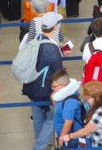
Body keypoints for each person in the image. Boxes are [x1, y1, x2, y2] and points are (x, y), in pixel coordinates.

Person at [22, 12, 65, 150]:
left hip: (31, 87)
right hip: (46, 89)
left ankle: (41, 144)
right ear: (54, 27)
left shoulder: (34, 41)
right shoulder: (52, 48)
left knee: (38, 118)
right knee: (52, 119)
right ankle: (39, 147)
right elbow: (58, 73)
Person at [58, 81, 102, 148]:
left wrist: (69, 136)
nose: (86, 101)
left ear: (94, 97)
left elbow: (86, 131)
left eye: (87, 98)